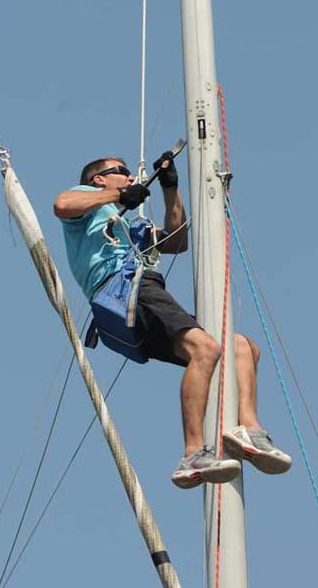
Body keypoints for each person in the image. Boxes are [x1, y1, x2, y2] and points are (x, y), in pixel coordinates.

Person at [54, 153, 291, 489]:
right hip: (124, 289)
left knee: (241, 347)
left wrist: (170, 188)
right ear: (99, 179)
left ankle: (248, 430)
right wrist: (118, 196)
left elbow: (177, 241)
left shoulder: (130, 226)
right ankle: (193, 451)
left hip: (144, 294)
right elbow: (62, 204)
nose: (129, 177)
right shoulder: (89, 203)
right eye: (121, 172)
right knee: (205, 348)